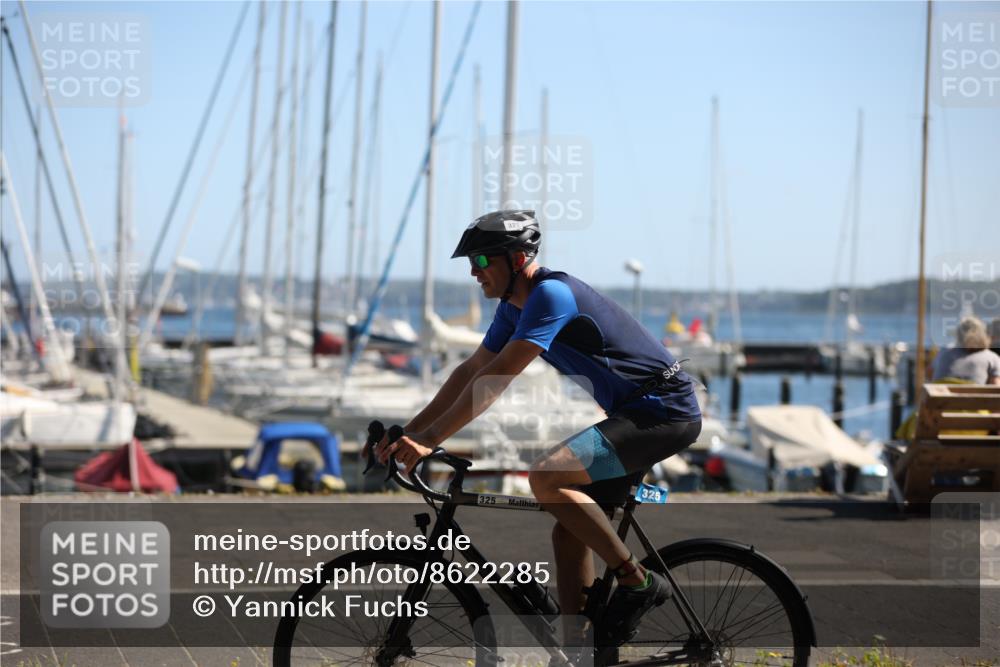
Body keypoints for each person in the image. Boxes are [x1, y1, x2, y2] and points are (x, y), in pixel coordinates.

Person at [372, 210, 702, 652]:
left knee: (547, 476)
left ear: (518, 259)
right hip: (636, 412)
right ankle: (578, 651)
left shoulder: (551, 295)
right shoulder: (513, 308)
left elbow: (498, 378)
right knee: (569, 528)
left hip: (664, 412)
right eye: (471, 262)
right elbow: (471, 370)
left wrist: (430, 441)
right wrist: (409, 434)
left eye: (483, 261)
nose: (473, 271)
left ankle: (637, 581)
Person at [931, 316, 1000, 385]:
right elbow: (996, 386)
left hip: (940, 395)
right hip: (974, 395)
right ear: (983, 334)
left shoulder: (944, 350)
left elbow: (930, 373)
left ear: (958, 335)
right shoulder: (992, 357)